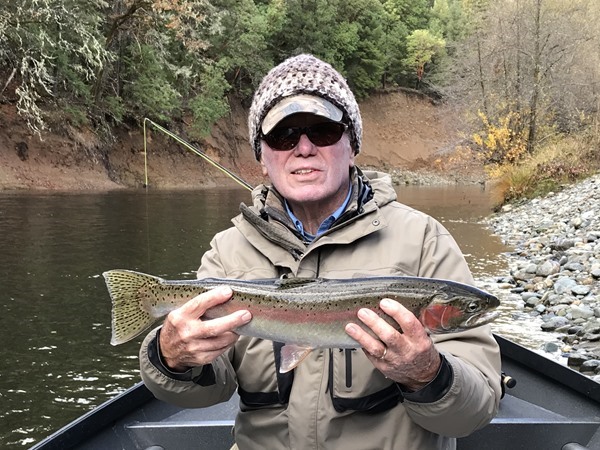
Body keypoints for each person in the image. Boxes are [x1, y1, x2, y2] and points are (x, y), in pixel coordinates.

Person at [139, 54, 502, 450]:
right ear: (263, 157)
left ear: (352, 146)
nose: (304, 147)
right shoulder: (228, 251)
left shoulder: (424, 239)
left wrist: (427, 373)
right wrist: (169, 356)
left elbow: (474, 411)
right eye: (283, 135)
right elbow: (204, 393)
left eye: (324, 130)